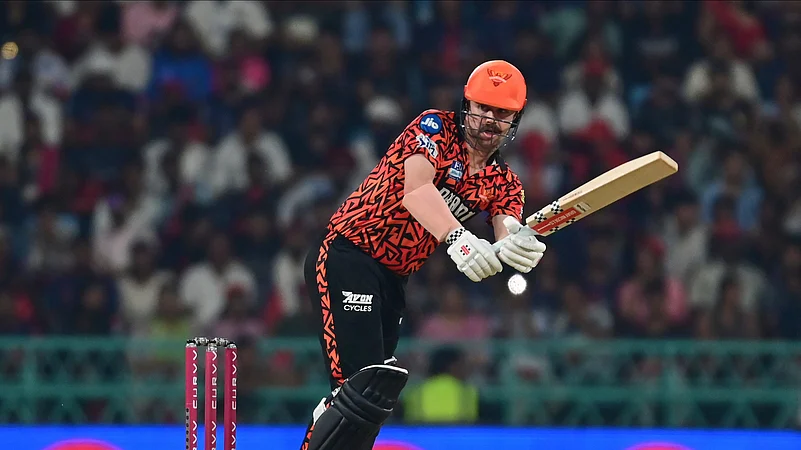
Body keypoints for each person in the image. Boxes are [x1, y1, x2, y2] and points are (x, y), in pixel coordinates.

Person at [299, 60, 547, 450]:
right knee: (359, 386)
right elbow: (415, 190)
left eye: (501, 113)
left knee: (372, 397)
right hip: (349, 254)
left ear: (515, 119)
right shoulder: (434, 128)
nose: (488, 119)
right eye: (481, 107)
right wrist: (458, 238)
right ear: (467, 105)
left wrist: (518, 242)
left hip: (395, 277)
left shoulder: (504, 182)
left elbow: (506, 225)